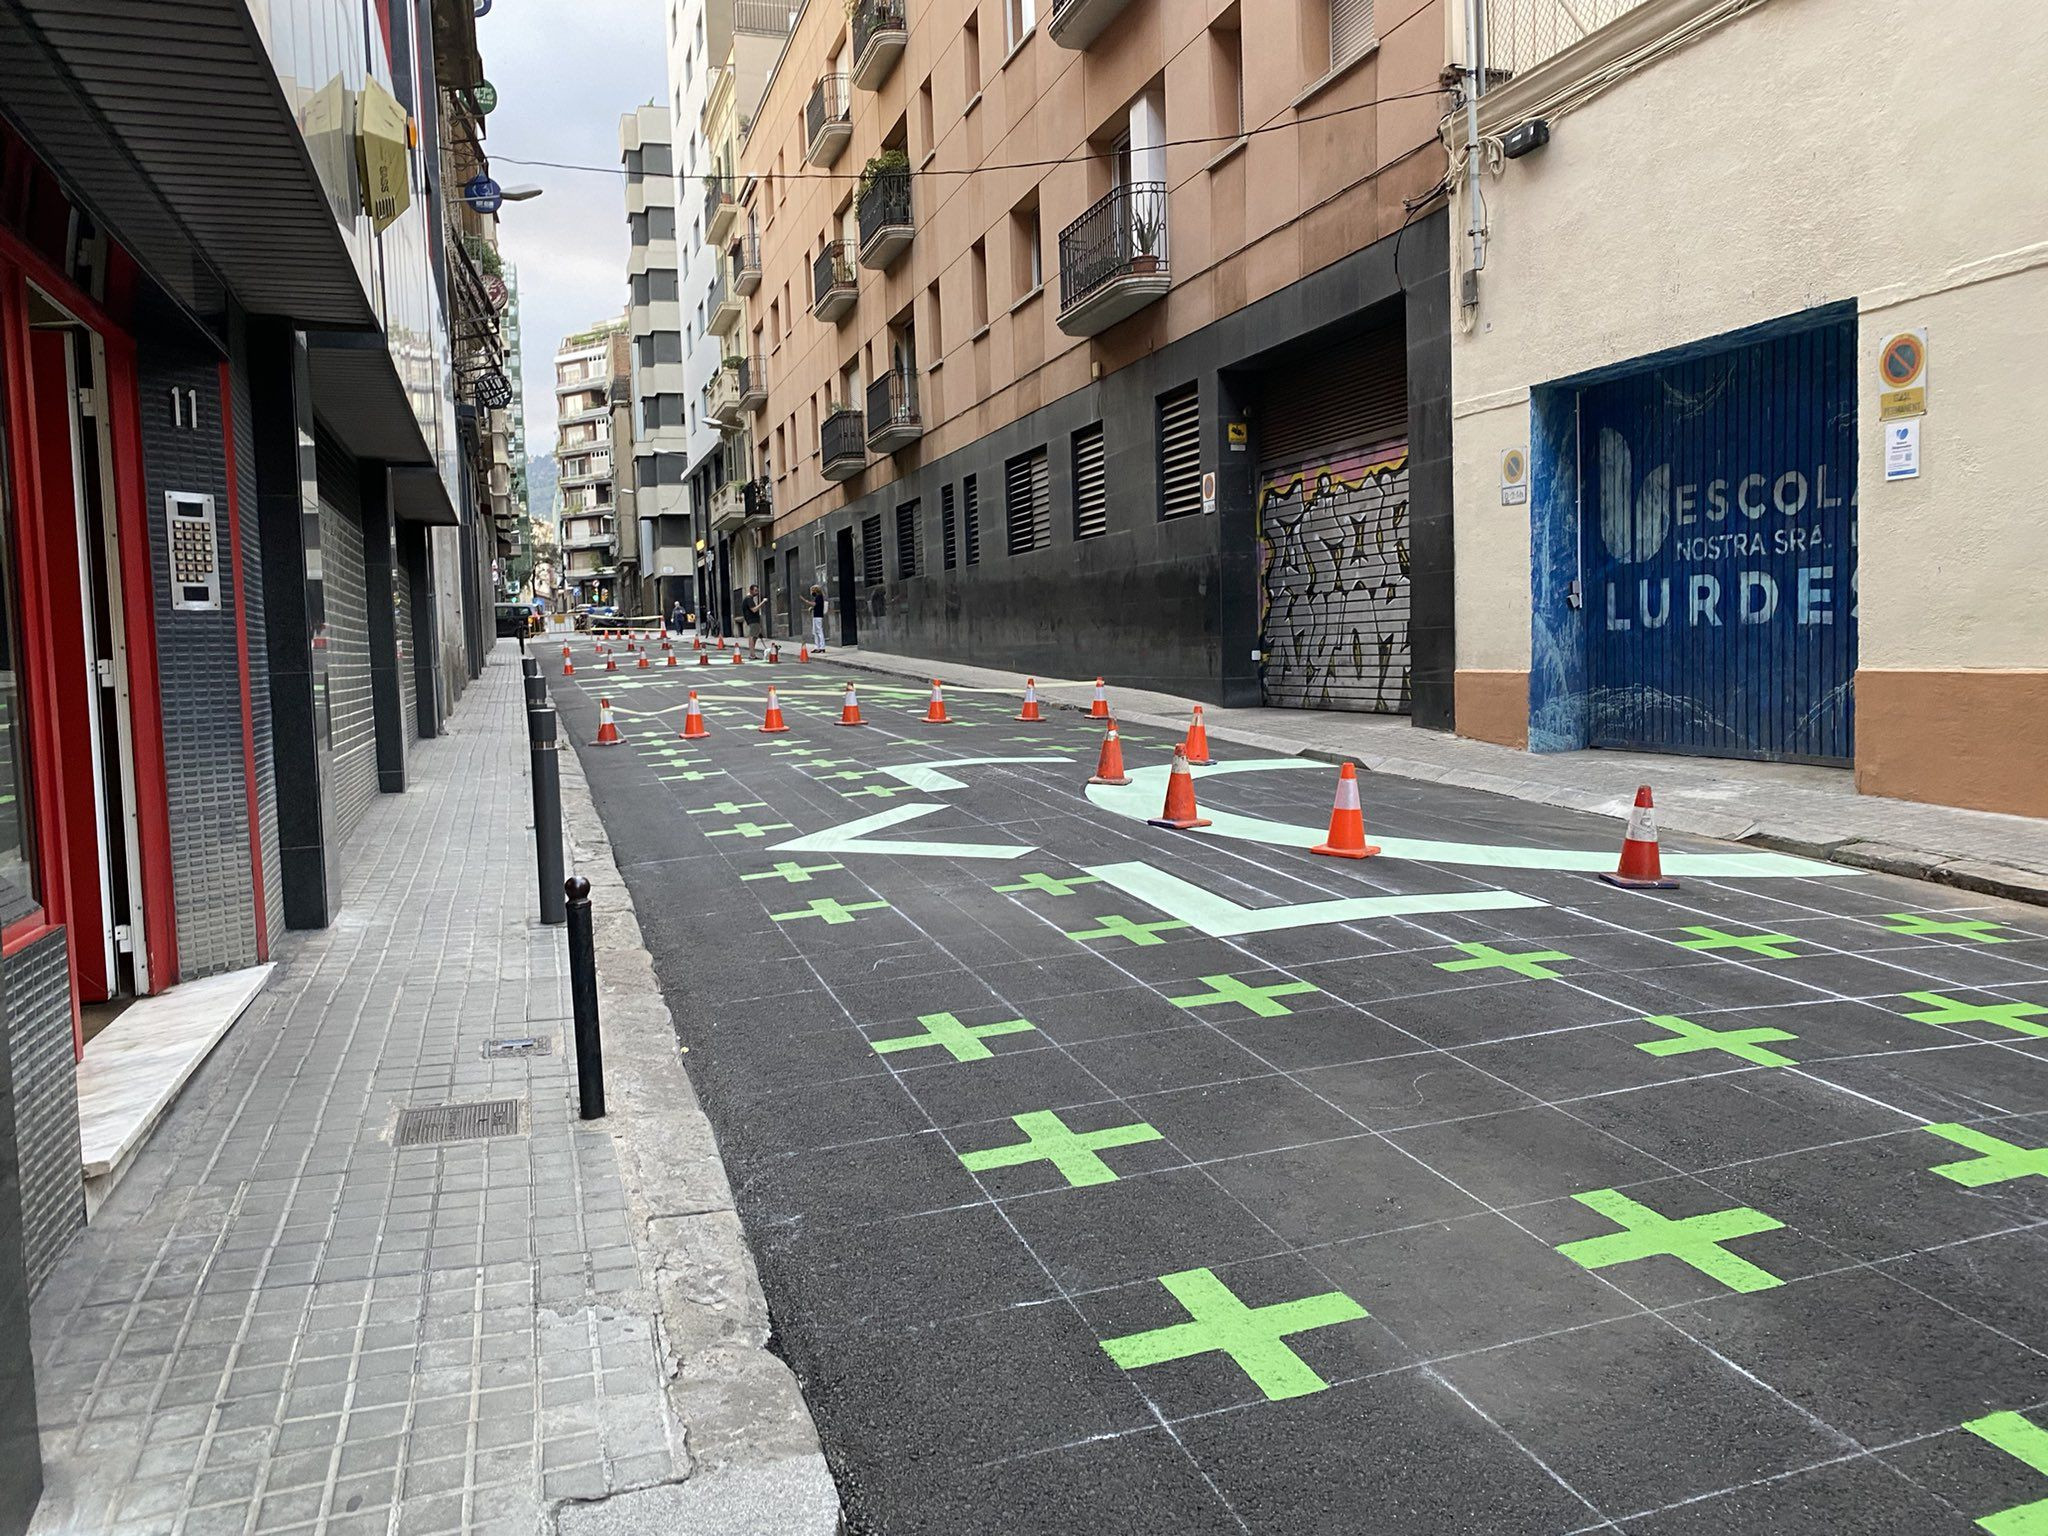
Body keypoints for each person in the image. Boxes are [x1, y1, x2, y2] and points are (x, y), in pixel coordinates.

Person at [741, 583, 766, 659]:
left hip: (753, 621)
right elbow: (754, 610)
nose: (757, 592)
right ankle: (752, 654)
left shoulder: (749, 599)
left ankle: (752, 654)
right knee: (752, 637)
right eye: (755, 590)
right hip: (752, 620)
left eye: (757, 591)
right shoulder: (748, 599)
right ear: (751, 590)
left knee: (754, 636)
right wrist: (763, 602)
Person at [809, 584, 828, 653]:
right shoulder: (818, 597)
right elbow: (816, 605)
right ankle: (817, 647)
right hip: (816, 616)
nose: (811, 592)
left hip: (818, 616)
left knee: (819, 631)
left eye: (812, 590)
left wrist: (809, 603)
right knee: (815, 632)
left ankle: (822, 647)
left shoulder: (819, 597)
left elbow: (816, 604)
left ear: (815, 590)